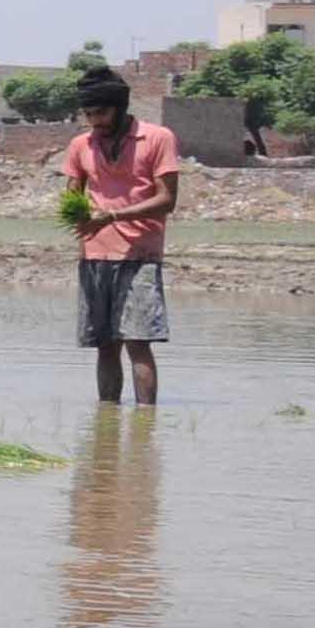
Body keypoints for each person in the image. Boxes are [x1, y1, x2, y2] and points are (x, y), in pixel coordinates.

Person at [62, 67, 177, 406]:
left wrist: (112, 216)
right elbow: (73, 194)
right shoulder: (80, 145)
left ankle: (145, 420)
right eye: (88, 114)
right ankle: (107, 421)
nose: (95, 121)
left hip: (139, 255)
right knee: (105, 345)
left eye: (101, 112)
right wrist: (77, 214)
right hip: (94, 255)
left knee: (138, 343)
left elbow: (167, 200)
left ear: (120, 106)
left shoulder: (158, 138)